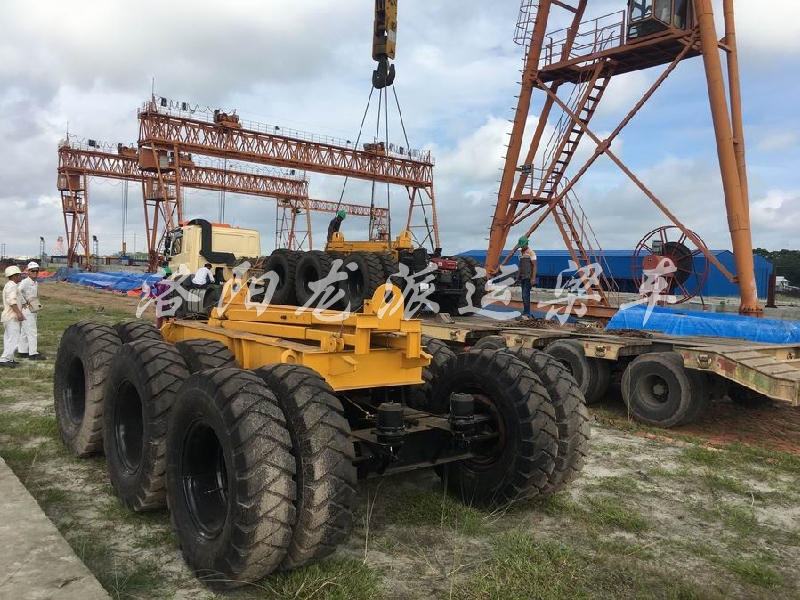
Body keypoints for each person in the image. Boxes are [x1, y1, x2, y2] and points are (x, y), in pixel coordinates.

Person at [18, 261, 45, 360]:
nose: (35, 272)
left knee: (24, 331)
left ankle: (22, 351)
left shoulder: (35, 282)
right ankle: (33, 353)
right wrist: (23, 302)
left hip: (33, 308)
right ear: (28, 271)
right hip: (27, 309)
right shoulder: (25, 282)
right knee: (32, 331)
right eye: (33, 271)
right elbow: (18, 291)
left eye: (36, 271)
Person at [1, 266, 25, 367]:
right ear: (14, 276)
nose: (20, 276)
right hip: (11, 316)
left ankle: (9, 359)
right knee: (14, 339)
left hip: (8, 316)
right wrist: (19, 313)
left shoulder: (10, 285)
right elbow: (12, 301)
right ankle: (4, 359)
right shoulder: (12, 286)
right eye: (19, 275)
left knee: (9, 338)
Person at [517, 235, 537, 320]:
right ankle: (525, 313)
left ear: (526, 244)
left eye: (523, 245)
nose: (522, 247)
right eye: (521, 246)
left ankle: (526, 314)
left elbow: (534, 266)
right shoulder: (521, 253)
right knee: (523, 296)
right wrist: (517, 277)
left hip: (528, 277)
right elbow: (520, 266)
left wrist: (533, 278)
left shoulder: (531, 252)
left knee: (526, 295)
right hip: (523, 277)